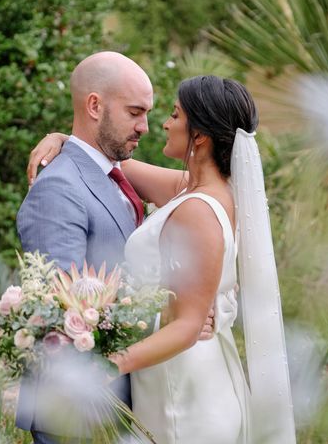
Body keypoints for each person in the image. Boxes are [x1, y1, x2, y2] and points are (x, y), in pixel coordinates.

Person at [29, 75, 297, 443]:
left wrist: (107, 366)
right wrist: (64, 140)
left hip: (183, 391)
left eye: (174, 115)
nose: (164, 125)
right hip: (174, 376)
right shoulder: (198, 191)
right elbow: (109, 165)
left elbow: (187, 326)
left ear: (199, 136)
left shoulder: (198, 210)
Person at [16, 51, 215, 444]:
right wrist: (172, 317)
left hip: (123, 397)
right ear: (94, 105)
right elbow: (67, 315)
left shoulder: (114, 173)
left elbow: (207, 188)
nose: (145, 126)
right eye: (134, 112)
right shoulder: (59, 188)